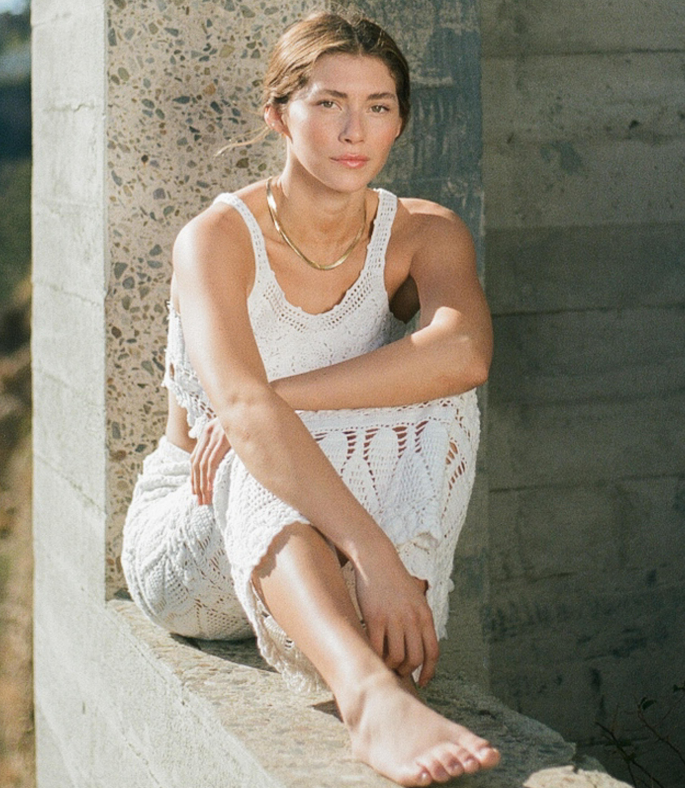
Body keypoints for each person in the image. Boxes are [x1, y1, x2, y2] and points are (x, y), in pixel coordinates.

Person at [121, 11, 500, 786]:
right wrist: (372, 553)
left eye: (379, 106)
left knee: (442, 395)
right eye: (328, 102)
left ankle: (387, 656)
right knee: (249, 439)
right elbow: (245, 412)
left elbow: (464, 354)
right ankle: (368, 695)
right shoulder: (217, 238)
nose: (354, 129)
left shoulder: (424, 232)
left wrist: (282, 397)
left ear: (399, 121)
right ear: (279, 114)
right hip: (197, 545)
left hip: (332, 533)